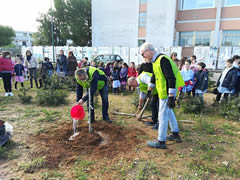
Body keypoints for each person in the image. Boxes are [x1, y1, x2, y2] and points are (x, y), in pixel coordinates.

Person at [140, 43, 184, 149]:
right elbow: (155, 77)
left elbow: (171, 78)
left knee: (162, 116)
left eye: (143, 54)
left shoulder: (163, 60)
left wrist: (171, 96)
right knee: (169, 113)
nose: (143, 57)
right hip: (163, 92)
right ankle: (175, 134)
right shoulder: (155, 61)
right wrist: (149, 91)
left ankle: (161, 141)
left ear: (149, 51)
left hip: (167, 93)